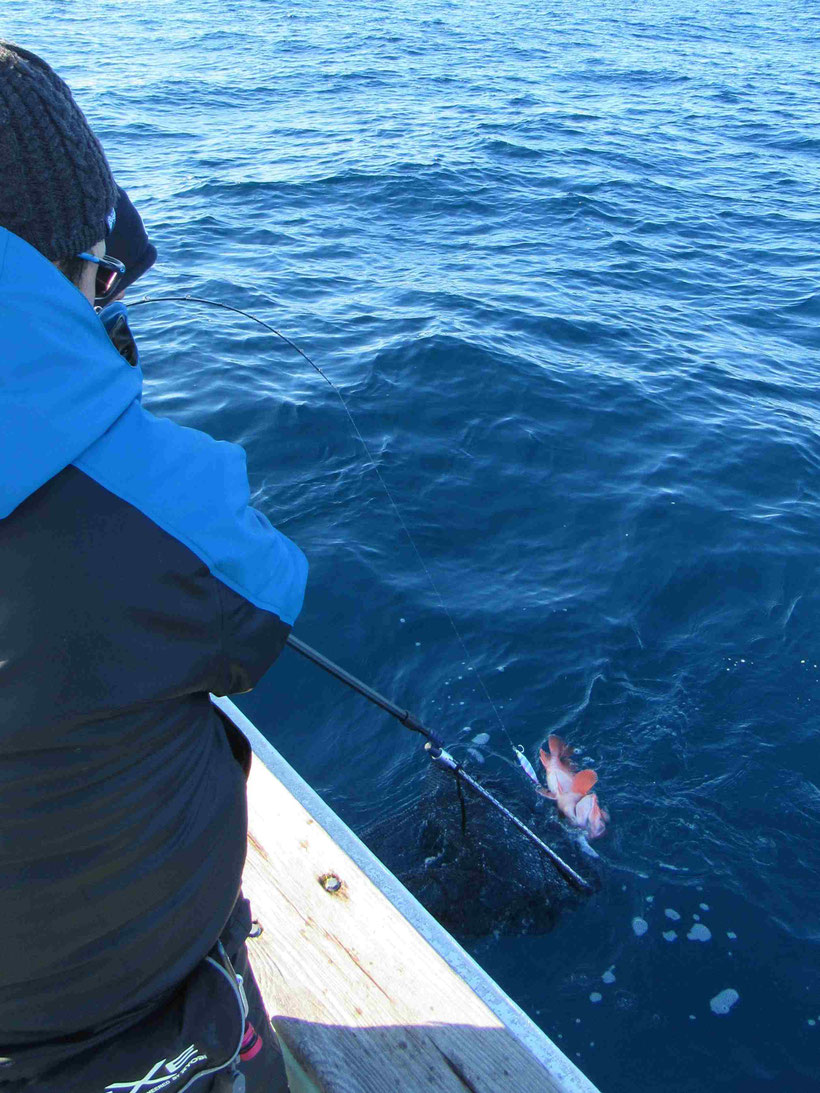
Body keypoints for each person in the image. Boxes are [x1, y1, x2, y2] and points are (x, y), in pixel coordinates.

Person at [0, 41, 306, 1092]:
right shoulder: (146, 494)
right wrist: (93, 389)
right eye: (99, 265)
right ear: (64, 266)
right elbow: (264, 608)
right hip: (114, 1014)